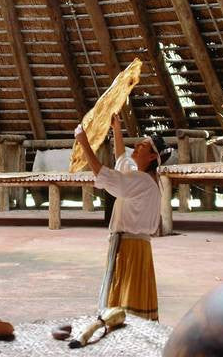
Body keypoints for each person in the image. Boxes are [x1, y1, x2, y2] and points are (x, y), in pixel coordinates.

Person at [74, 117, 170, 321]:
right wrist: (117, 129)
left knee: (128, 298)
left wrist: (84, 142)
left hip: (131, 248)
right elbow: (122, 160)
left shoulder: (142, 181)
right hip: (134, 246)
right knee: (128, 294)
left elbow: (103, 174)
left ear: (153, 156)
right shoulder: (142, 177)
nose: (135, 146)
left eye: (141, 146)